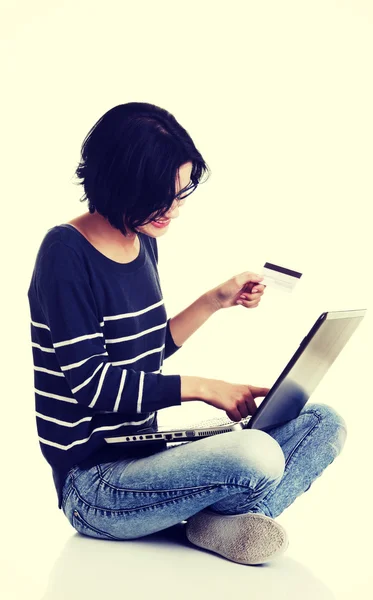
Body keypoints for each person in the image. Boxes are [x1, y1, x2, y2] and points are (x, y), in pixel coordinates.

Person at [27, 102, 347, 566]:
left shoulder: (141, 241)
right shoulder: (64, 253)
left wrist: (217, 300)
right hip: (94, 486)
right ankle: (222, 519)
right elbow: (94, 385)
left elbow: (144, 352)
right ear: (122, 181)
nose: (174, 210)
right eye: (163, 195)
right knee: (255, 454)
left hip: (143, 454)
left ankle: (216, 524)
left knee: (324, 422)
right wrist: (202, 389)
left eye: (180, 194)